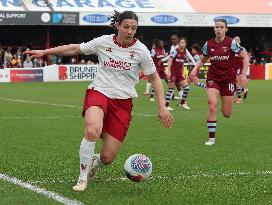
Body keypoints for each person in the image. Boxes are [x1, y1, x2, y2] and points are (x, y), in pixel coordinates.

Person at [24, 10, 174, 192]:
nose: (130, 31)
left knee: (107, 158)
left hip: (123, 103)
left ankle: (94, 163)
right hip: (99, 92)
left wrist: (162, 107)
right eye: (126, 27)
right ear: (117, 26)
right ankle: (82, 178)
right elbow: (75, 48)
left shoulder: (141, 51)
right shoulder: (103, 42)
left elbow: (155, 78)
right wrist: (45, 52)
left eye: (133, 28)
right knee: (93, 129)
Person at [189, 19, 249, 146]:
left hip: (228, 80)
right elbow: (202, 59)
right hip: (213, 79)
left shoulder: (232, 43)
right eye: (217, 27)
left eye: (222, 27)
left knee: (227, 114)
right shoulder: (208, 44)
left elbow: (245, 57)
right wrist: (194, 70)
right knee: (212, 104)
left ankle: (226, 101)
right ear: (214, 29)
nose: (219, 29)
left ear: (226, 29)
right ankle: (211, 139)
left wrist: (243, 75)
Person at [165, 37, 191, 110]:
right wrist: (169, 71)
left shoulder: (185, 51)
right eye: (181, 43)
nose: (182, 44)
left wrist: (182, 73)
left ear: (185, 44)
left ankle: (182, 103)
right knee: (171, 89)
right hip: (173, 73)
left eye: (184, 43)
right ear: (178, 43)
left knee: (186, 88)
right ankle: (166, 105)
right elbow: (170, 61)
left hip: (179, 74)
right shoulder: (175, 51)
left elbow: (182, 63)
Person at [233, 36, 248, 103]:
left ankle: (239, 99)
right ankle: (244, 90)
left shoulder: (242, 49)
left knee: (237, 81)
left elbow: (246, 57)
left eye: (237, 39)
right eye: (235, 39)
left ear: (240, 41)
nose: (236, 40)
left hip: (239, 67)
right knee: (234, 82)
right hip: (232, 66)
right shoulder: (231, 48)